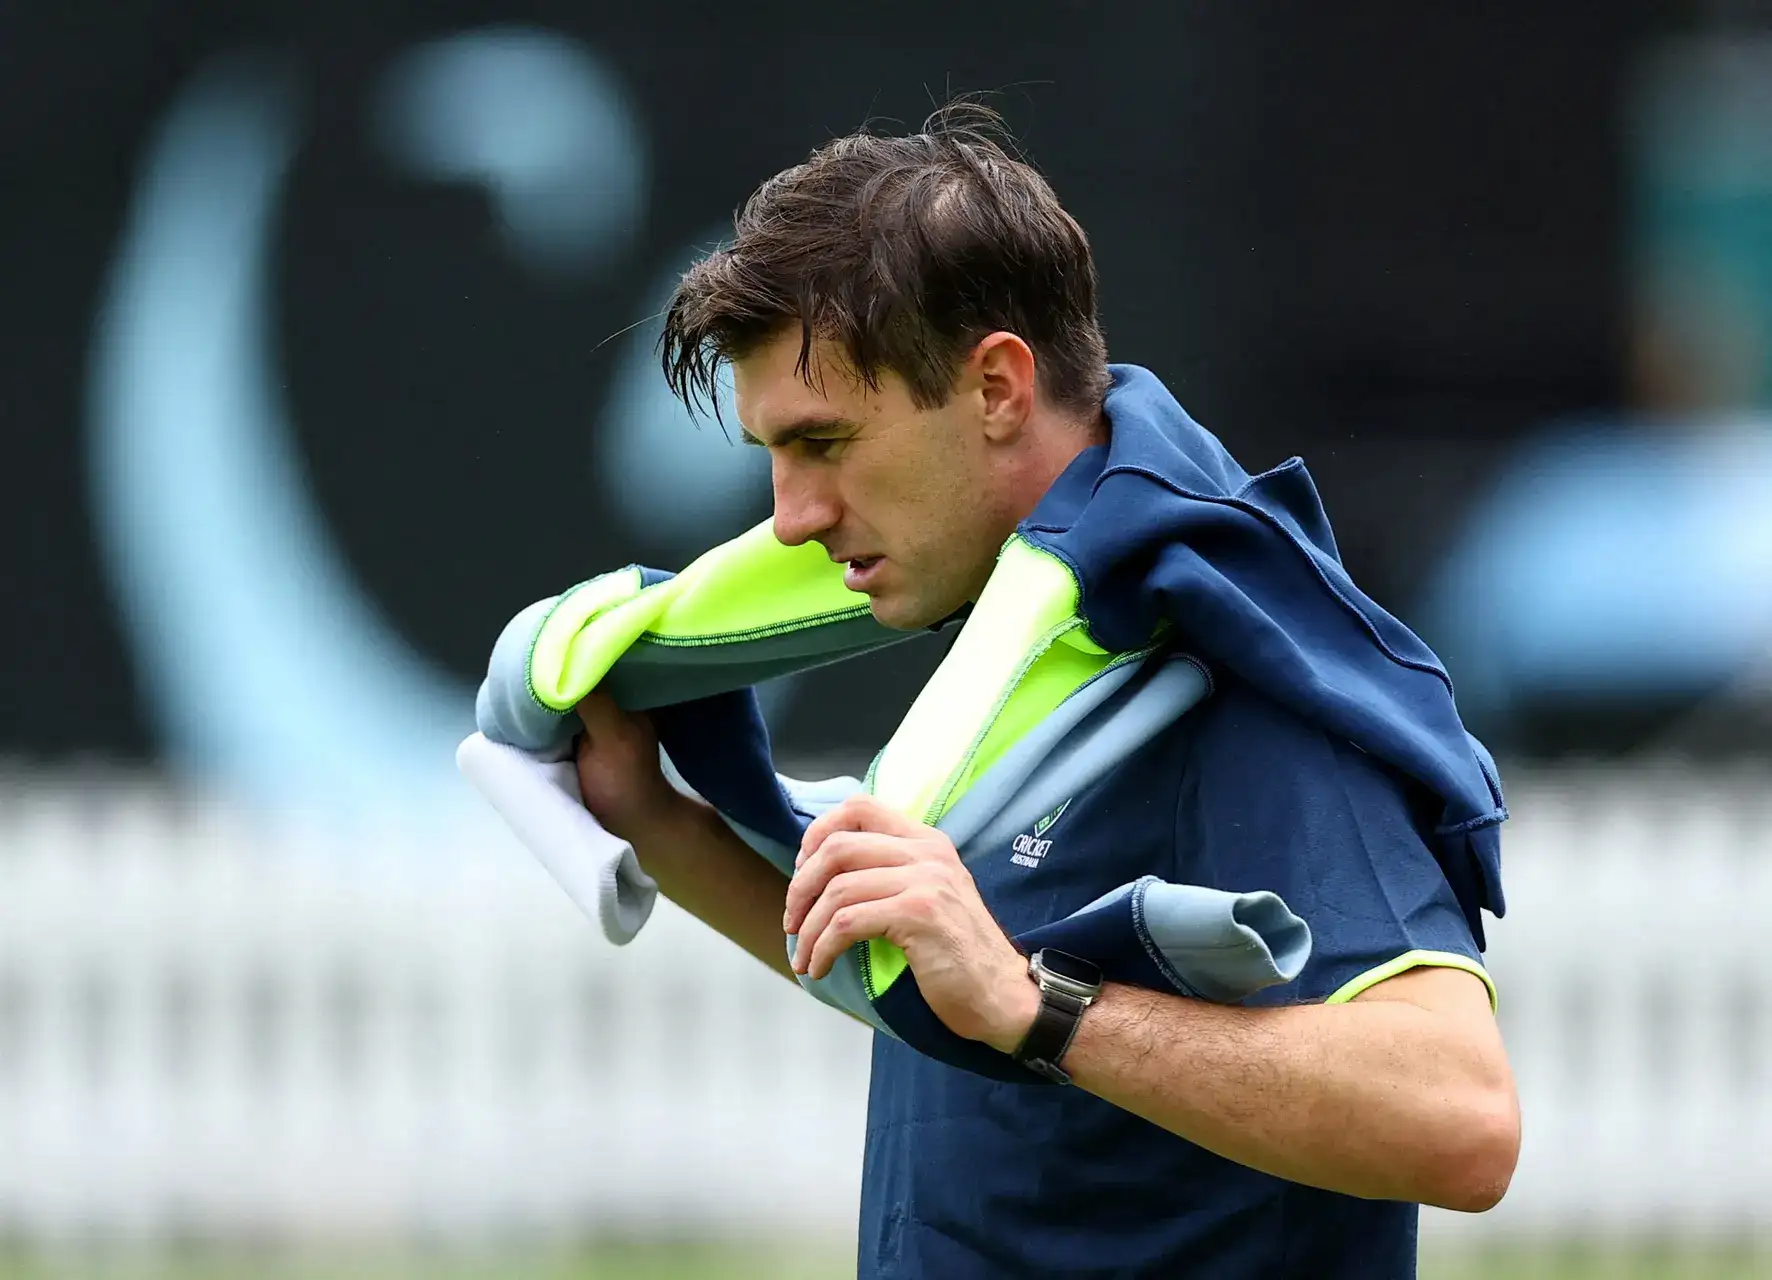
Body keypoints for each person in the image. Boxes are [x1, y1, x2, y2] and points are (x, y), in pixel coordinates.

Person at [567, 105, 1519, 1278]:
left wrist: (1040, 1006)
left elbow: (1459, 1119)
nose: (791, 518)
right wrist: (655, 821)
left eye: (824, 442)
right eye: (771, 452)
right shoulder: (1021, 636)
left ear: (996, 387)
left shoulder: (1234, 664)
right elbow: (936, 994)